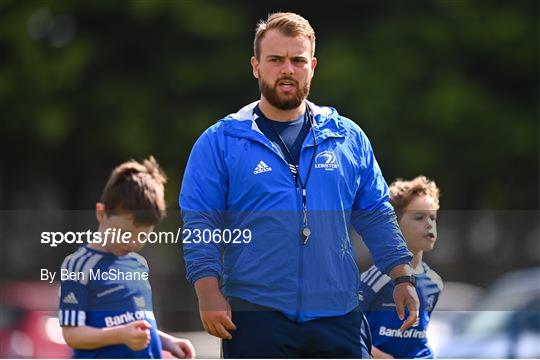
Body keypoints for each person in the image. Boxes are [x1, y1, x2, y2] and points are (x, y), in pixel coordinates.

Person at [180, 12, 419, 358]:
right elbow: (201, 221)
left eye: (297, 60)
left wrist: (402, 276)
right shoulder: (221, 140)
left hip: (338, 312)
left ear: (313, 66)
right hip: (256, 312)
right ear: (256, 66)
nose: (287, 69)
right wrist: (207, 291)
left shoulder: (347, 137)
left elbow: (376, 213)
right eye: (275, 60)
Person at [60, 157, 195, 359]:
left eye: (142, 236)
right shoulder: (78, 265)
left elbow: (138, 326)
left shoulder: (138, 265)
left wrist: (168, 342)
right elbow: (72, 335)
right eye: (125, 232)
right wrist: (121, 336)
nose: (132, 242)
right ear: (101, 214)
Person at [359, 176, 443, 358]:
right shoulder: (377, 279)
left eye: (433, 217)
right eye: (419, 217)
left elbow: (417, 337)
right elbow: (349, 331)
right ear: (394, 225)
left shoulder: (435, 283)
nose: (429, 224)